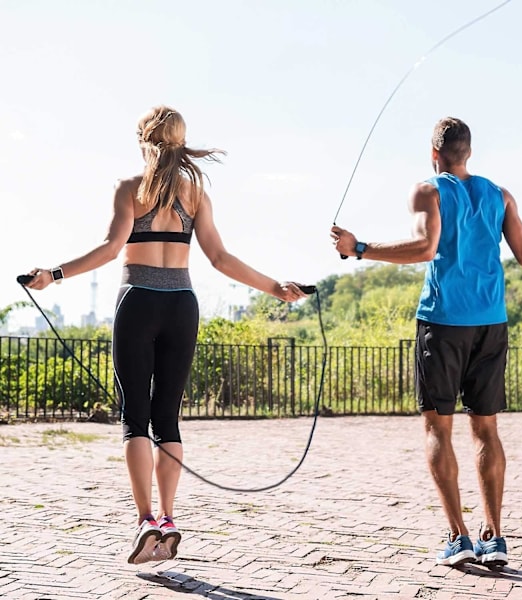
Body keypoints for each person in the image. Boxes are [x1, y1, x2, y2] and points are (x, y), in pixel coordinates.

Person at [23, 105, 309, 565]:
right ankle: (170, 520)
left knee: (135, 419)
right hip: (182, 305)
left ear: (143, 142)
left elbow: (111, 248)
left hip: (137, 299)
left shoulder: (130, 189)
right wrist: (275, 287)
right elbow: (220, 257)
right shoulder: (194, 193)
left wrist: (52, 274)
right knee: (167, 419)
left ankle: (145, 522)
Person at [330, 116, 522, 569]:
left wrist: (357, 246)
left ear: (434, 152)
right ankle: (494, 536)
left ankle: (458, 536)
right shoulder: (500, 196)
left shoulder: (428, 189)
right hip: (490, 324)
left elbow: (424, 247)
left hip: (442, 323)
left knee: (438, 428)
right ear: (470, 153)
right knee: (486, 429)